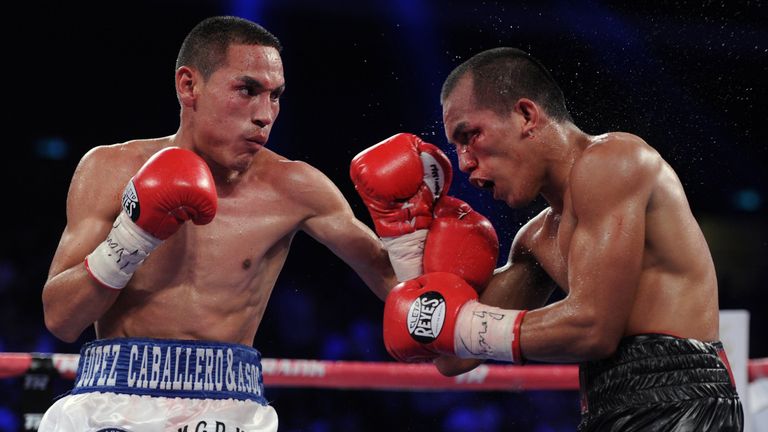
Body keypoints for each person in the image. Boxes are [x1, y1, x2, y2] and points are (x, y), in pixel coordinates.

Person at [38, 15, 401, 431]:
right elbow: (61, 320)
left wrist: (411, 234)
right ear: (189, 85)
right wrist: (131, 238)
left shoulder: (298, 187)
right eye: (247, 90)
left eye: (275, 96)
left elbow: (402, 289)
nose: (265, 115)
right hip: (111, 400)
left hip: (230, 406)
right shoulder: (108, 170)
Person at [369, 47, 744, 431]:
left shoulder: (615, 160)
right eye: (456, 147)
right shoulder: (535, 239)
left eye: (470, 135)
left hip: (684, 404)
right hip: (604, 408)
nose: (464, 163)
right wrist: (405, 241)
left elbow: (593, 328)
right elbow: (453, 356)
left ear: (526, 116)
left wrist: (465, 327)